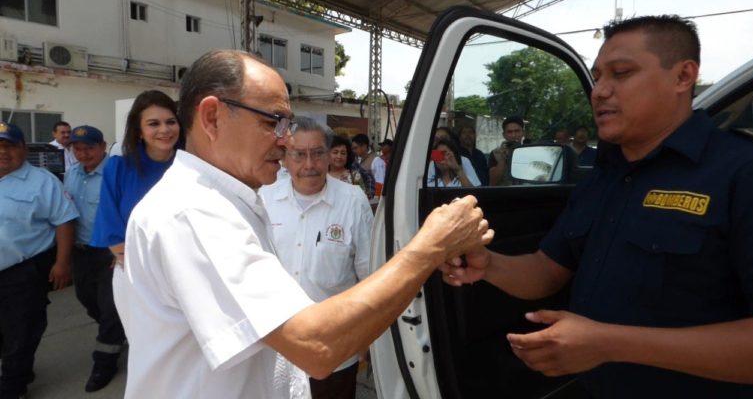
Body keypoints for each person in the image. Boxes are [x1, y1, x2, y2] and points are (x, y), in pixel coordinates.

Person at [113, 49, 492, 398]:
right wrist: (431, 245)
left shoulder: (227, 199)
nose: (285, 141)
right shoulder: (194, 212)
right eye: (275, 122)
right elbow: (316, 345)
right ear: (212, 117)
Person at [441, 15, 753, 398]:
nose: (599, 91)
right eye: (598, 77)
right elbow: (549, 270)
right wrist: (489, 264)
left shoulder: (748, 173)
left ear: (683, 77)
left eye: (622, 73)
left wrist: (608, 343)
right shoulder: (604, 177)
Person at [261, 118, 374, 399]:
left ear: (329, 155)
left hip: (334, 348)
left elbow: (369, 273)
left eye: (318, 153)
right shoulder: (264, 199)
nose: (309, 164)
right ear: (285, 157)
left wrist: (367, 337)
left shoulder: (353, 201)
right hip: (275, 348)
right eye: (299, 154)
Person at [0, 121, 79, 399]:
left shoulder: (42, 181)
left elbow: (65, 221)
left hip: (23, 272)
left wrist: (62, 263)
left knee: (21, 331)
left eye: (9, 145)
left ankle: (13, 387)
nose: (3, 152)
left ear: (23, 148)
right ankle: (18, 369)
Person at [63, 125, 126, 392]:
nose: (83, 153)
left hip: (109, 252)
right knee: (87, 299)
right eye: (77, 149)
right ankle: (121, 330)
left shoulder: (117, 172)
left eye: (89, 147)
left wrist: (123, 250)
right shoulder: (71, 174)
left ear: (102, 146)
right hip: (82, 251)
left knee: (110, 307)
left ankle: (105, 362)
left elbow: (130, 210)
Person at [90, 90, 181, 265]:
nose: (165, 130)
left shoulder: (191, 168)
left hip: (185, 266)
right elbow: (109, 223)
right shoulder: (118, 168)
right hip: (134, 266)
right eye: (153, 124)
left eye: (171, 122)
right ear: (139, 131)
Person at [328, 135, 375, 200]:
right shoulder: (321, 176)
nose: (339, 156)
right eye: (335, 152)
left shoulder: (354, 176)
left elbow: (361, 200)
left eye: (343, 153)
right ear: (327, 154)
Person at [488, 116, 526, 185]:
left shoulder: (530, 151)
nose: (513, 135)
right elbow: (493, 182)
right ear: (504, 135)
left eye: (517, 131)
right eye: (509, 132)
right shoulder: (495, 153)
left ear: (523, 133)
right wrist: (502, 159)